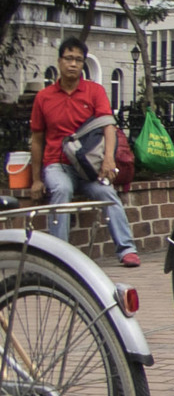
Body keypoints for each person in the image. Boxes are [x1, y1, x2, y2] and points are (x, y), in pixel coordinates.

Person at [30, 38, 138, 266]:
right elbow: (37, 139)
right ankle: (59, 256)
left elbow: (109, 126)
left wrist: (108, 159)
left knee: (108, 194)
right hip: (57, 164)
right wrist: (36, 180)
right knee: (61, 190)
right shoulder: (44, 97)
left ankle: (127, 250)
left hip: (90, 167)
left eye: (78, 60)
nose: (73, 64)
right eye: (68, 59)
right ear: (59, 61)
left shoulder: (94, 91)